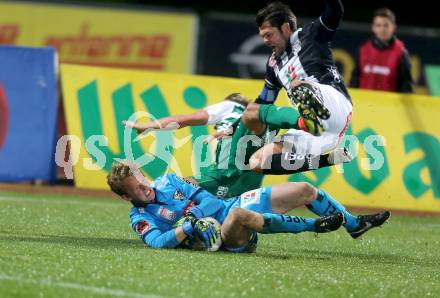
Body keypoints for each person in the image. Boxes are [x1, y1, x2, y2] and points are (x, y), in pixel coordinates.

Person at [107, 160, 390, 251]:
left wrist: (192, 214)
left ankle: (354, 225)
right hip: (227, 236)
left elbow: (208, 200)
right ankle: (314, 225)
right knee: (241, 216)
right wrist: (186, 230)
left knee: (304, 189)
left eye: (143, 180)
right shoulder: (139, 216)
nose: (146, 188)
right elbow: (157, 242)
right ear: (125, 197)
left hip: (229, 204)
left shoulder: (168, 180)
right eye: (138, 190)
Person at [124, 93, 351, 199]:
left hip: (227, 171)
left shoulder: (237, 109)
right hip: (248, 177)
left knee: (182, 187)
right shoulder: (245, 111)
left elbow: (184, 120)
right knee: (269, 164)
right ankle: (328, 159)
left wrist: (149, 126)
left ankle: (154, 195)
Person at [242, 0, 354, 176]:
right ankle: (331, 158)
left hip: (336, 105)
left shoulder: (310, 34)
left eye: (269, 34)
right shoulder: (273, 65)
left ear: (286, 28)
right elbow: (263, 102)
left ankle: (309, 116)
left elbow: (335, 12)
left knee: (296, 85)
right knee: (257, 162)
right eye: (262, 36)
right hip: (322, 133)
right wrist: (232, 127)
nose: (265, 40)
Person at [350, 8, 413, 93]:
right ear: (373, 27)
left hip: (389, 105)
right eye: (378, 25)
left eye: (386, 25)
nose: (382, 29)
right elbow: (355, 79)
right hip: (365, 104)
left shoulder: (401, 52)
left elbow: (406, 84)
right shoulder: (362, 50)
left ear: (393, 27)